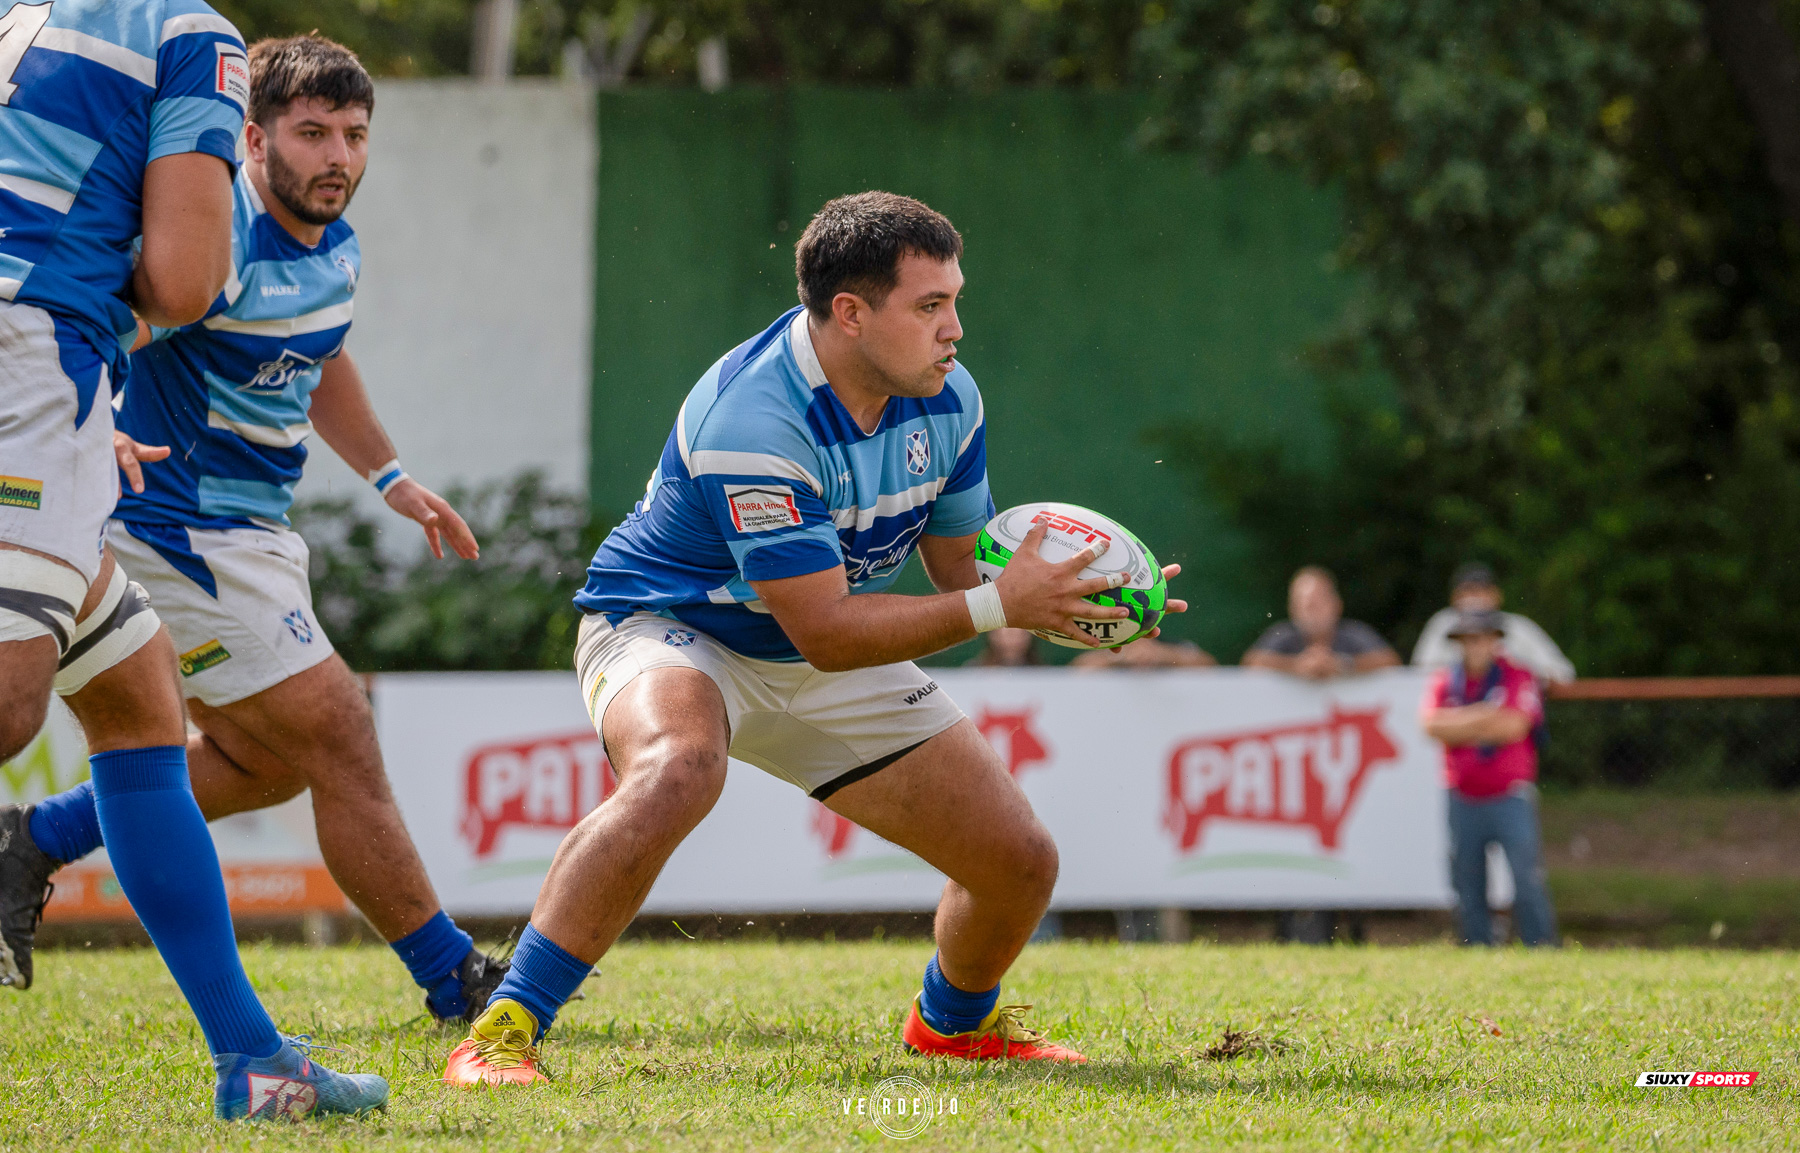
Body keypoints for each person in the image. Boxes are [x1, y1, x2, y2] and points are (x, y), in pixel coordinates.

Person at [441, 191, 1186, 1084]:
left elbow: (958, 569)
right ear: (850, 312)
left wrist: (1071, 593)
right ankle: (502, 1030)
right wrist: (1001, 608)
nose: (955, 329)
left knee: (1018, 860)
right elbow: (831, 630)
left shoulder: (949, 397)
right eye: (930, 306)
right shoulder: (753, 421)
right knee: (680, 766)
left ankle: (952, 1024)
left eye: (955, 300)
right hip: (674, 626)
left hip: (812, 636)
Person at [0, 35, 505, 1028]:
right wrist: (92, 428)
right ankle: (457, 978)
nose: (338, 157)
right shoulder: (218, 228)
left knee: (266, 757)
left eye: (355, 135)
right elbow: (112, 325)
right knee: (340, 732)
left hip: (254, 535)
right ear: (253, 136)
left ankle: (35, 840)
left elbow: (323, 356)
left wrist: (391, 476)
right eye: (312, 133)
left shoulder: (334, 242)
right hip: (176, 532)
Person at [0, 3, 384, 1120]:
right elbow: (182, 280)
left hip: (49, 378)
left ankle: (252, 1062)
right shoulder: (191, 35)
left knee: (136, 698)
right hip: (36, 359)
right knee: (15, 706)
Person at [1420, 609, 1559, 947]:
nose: (1475, 646)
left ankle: (1540, 945)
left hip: (1509, 794)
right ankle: (1476, 947)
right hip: (1462, 794)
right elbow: (1430, 725)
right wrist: (1484, 716)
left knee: (1526, 878)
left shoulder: (1517, 675)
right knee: (1467, 881)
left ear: (1495, 641)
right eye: (1468, 639)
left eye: (1481, 638)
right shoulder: (1446, 680)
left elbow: (1515, 726)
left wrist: (1460, 725)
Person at [1412, 562, 1575, 684]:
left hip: (1509, 710)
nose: (1474, 598)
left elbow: (1561, 673)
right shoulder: (1443, 623)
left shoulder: (1518, 626)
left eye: (1481, 590)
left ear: (1497, 595)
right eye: (1468, 591)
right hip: (1458, 712)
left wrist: (1513, 674)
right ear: (1454, 597)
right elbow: (1419, 674)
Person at [1242, 566, 1399, 679]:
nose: (1310, 610)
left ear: (1336, 604)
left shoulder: (1353, 633)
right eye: (1304, 604)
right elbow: (1252, 662)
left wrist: (1341, 664)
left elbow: (1389, 661)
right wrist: (1297, 665)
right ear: (1291, 608)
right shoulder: (1282, 634)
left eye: (1317, 602)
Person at [1070, 635, 1215, 669]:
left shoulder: (1172, 644)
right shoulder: (1106, 647)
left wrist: (1161, 655)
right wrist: (1119, 657)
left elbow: (1208, 667)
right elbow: (1078, 670)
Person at [964, 627, 1042, 666]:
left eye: (1018, 624)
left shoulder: (1045, 674)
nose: (1012, 631)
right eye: (1005, 624)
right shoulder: (973, 673)